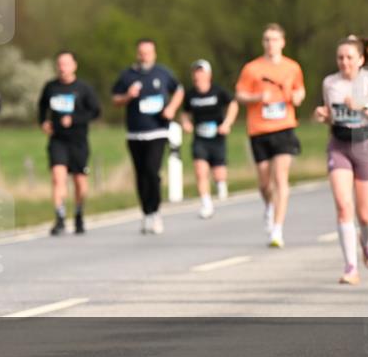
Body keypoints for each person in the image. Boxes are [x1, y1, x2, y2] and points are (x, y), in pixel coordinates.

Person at [313, 36, 368, 285]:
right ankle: (350, 266)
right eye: (340, 58)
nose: (344, 62)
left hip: (366, 147)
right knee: (343, 205)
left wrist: (362, 107)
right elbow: (331, 115)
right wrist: (321, 115)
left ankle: (367, 240)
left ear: (360, 60)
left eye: (349, 57)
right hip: (339, 146)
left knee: (365, 215)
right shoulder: (330, 83)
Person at [235, 23, 306, 248]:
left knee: (280, 178)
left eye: (274, 39)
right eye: (266, 39)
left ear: (282, 42)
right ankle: (268, 206)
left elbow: (300, 89)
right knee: (265, 183)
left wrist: (298, 97)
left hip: (284, 128)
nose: (270, 43)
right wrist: (257, 98)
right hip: (259, 129)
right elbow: (239, 95)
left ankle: (277, 230)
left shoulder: (292, 67)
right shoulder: (252, 69)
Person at [111, 39, 183, 234]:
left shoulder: (163, 73)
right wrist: (128, 96)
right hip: (135, 133)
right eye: (142, 53)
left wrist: (171, 108)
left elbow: (179, 90)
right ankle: (145, 212)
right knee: (141, 174)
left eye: (149, 52)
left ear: (154, 53)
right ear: (137, 54)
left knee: (153, 171)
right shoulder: (128, 75)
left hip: (157, 131)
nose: (145, 56)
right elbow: (115, 99)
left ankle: (156, 211)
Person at [37, 51, 101, 235]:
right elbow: (41, 107)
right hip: (57, 140)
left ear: (74, 66)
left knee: (80, 181)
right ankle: (59, 218)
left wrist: (75, 119)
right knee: (58, 178)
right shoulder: (50, 87)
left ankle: (79, 214)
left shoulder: (83, 88)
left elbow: (95, 111)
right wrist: (43, 122)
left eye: (66, 64)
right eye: (60, 64)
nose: (63, 68)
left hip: (78, 140)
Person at [180, 60, 238, 219]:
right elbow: (185, 113)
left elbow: (233, 104)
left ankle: (221, 185)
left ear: (208, 75)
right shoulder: (190, 94)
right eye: (196, 72)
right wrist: (185, 123)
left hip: (217, 136)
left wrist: (227, 123)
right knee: (200, 171)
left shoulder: (218, 91)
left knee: (219, 174)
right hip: (200, 138)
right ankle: (206, 204)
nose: (198, 75)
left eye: (201, 72)